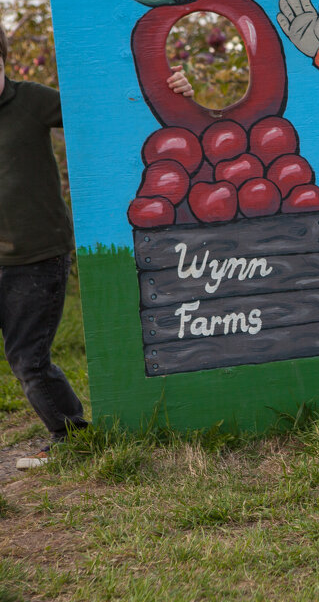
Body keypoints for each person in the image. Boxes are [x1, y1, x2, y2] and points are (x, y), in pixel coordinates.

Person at [0, 27, 193, 469]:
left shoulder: (30, 101)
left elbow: (106, 113)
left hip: (35, 257)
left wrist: (172, 90)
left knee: (28, 360)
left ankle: (70, 434)